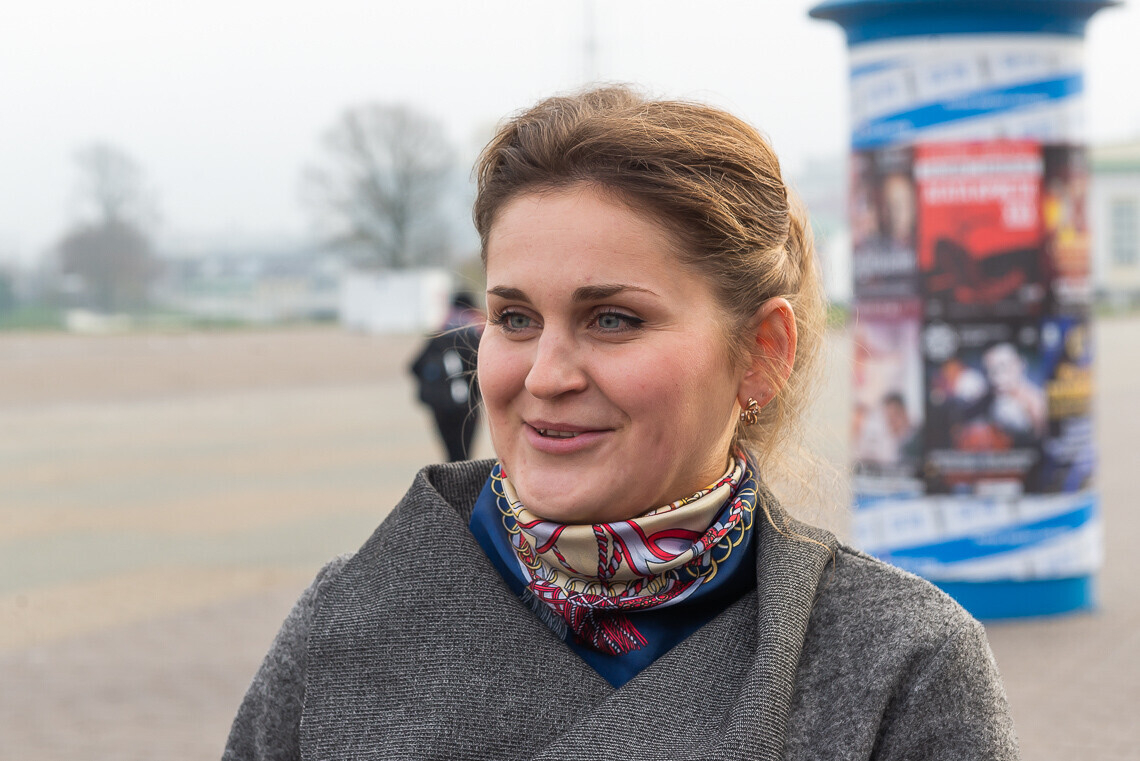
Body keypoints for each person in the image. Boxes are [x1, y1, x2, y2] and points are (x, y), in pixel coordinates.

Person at [223, 87, 1018, 760]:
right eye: (515, 318)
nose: (546, 375)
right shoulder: (348, 620)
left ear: (761, 353)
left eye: (612, 319)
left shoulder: (895, 663)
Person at [409, 291, 483, 461]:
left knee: (449, 454)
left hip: (441, 406)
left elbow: (414, 366)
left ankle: (450, 476)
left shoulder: (438, 337)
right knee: (465, 455)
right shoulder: (476, 338)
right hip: (468, 407)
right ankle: (463, 478)